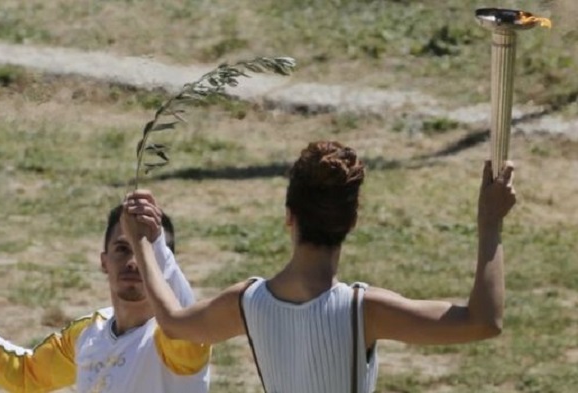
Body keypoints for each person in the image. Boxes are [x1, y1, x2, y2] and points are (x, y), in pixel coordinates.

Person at [120, 141, 516, 393]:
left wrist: (142, 243)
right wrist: (490, 223)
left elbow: (173, 321)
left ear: (289, 217)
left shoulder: (247, 302)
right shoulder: (366, 311)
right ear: (352, 222)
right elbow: (484, 321)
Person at [0, 203, 210, 393]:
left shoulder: (174, 340)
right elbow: (27, 373)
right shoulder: (90, 333)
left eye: (145, 253)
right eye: (123, 249)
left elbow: (188, 320)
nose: (134, 262)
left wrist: (155, 242)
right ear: (104, 261)